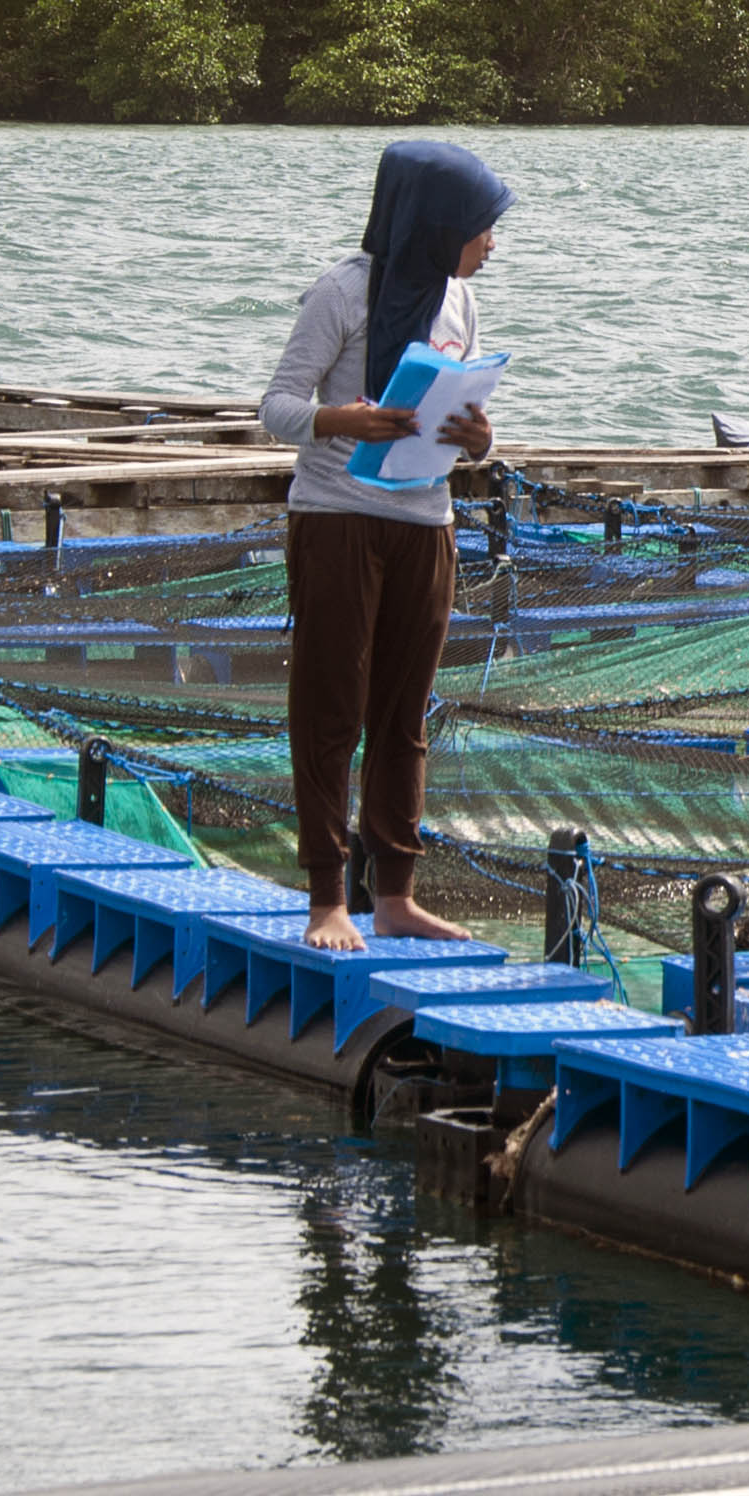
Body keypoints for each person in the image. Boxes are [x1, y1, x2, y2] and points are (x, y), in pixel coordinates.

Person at [259, 138, 509, 954]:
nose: (491, 244)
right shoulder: (342, 292)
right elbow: (276, 407)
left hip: (424, 523)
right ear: (435, 221)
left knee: (405, 715)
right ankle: (328, 896)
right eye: (481, 227)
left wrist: (479, 437)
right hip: (338, 516)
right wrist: (345, 421)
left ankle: (395, 891)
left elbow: (461, 410)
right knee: (331, 708)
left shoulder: (455, 302)